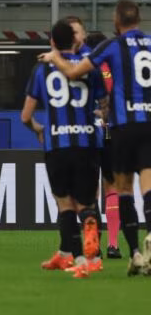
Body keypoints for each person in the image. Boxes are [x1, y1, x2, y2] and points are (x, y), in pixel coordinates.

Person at [39, 0, 151, 276]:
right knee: (139, 186)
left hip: (112, 129)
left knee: (115, 189)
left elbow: (89, 79)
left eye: (77, 30)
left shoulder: (104, 51)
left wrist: (54, 58)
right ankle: (72, 249)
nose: (76, 35)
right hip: (138, 124)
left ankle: (122, 250)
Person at [21, 19, 106, 278]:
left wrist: (37, 128)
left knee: (65, 205)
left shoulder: (41, 69)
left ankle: (78, 258)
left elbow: (25, 116)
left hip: (57, 143)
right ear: (76, 40)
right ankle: (89, 256)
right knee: (87, 203)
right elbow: (105, 104)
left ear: (52, 42)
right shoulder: (90, 68)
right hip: (87, 143)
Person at [82, 28, 122, 259]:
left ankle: (93, 244)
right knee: (111, 186)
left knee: (91, 189)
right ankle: (113, 245)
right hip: (110, 130)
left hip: (89, 131)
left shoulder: (86, 67)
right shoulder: (112, 68)